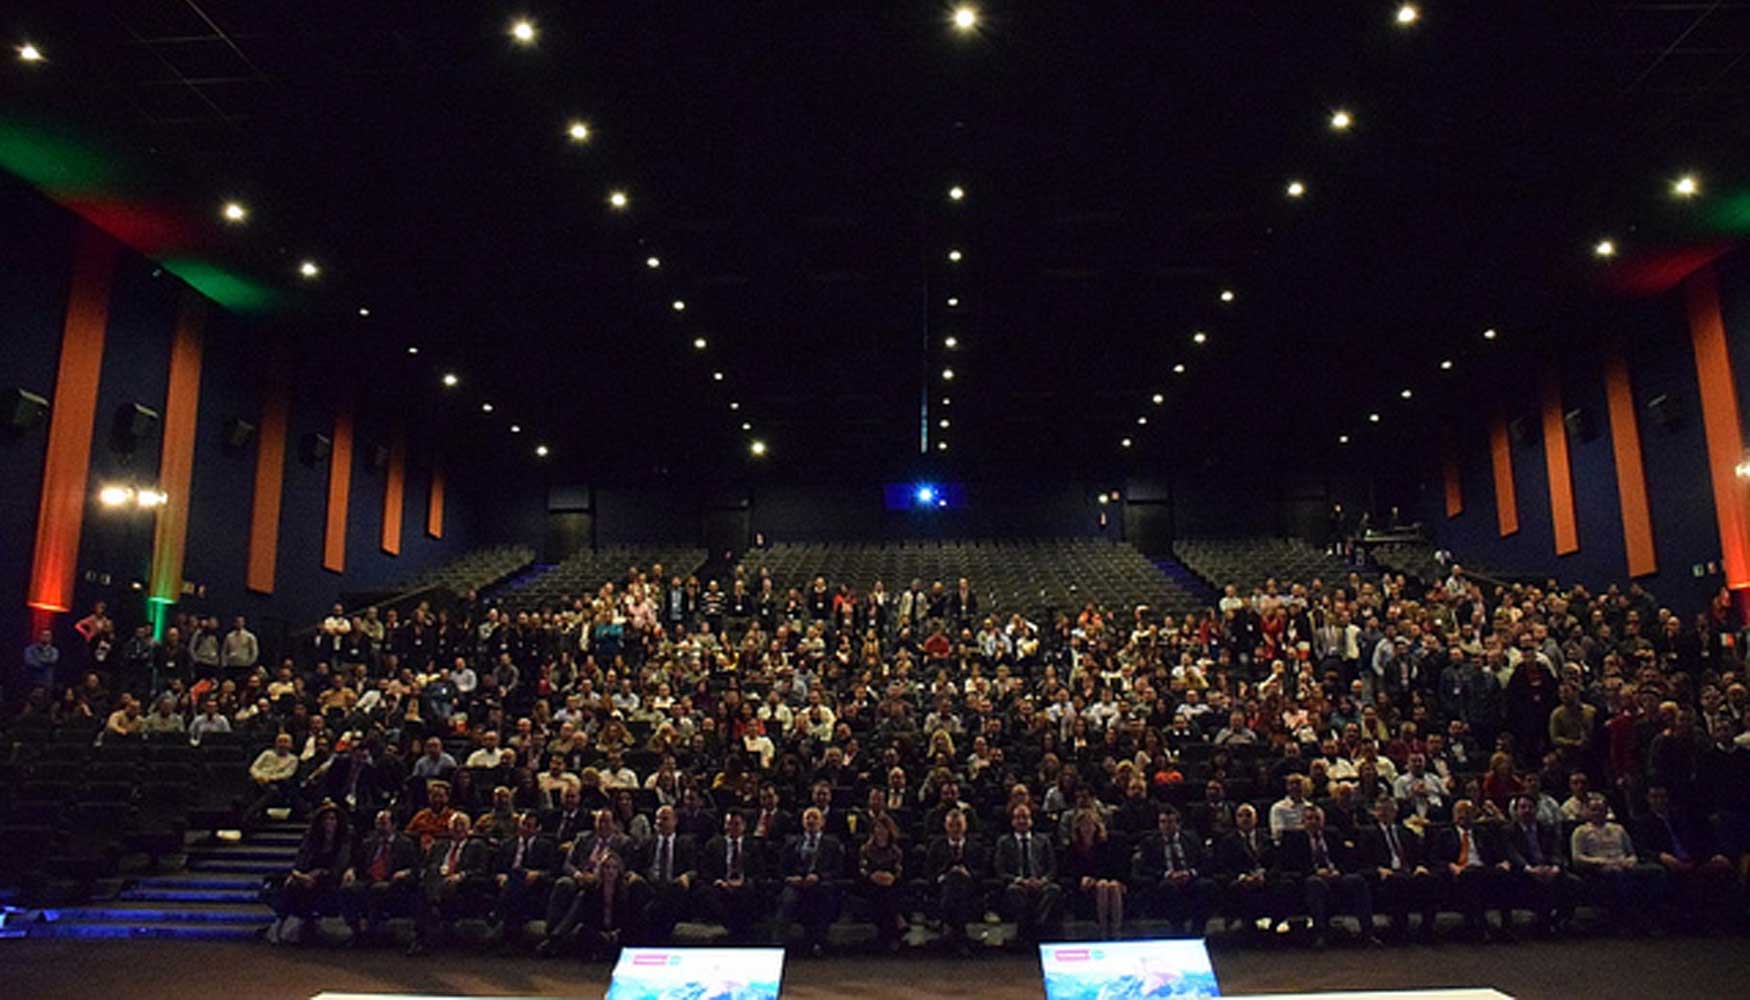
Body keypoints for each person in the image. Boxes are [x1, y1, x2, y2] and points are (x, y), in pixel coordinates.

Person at [1636, 783, 1734, 932]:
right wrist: (1662, 856)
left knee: (1723, 865)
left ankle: (1726, 920)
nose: (1659, 800)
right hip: (1670, 862)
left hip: (1694, 858)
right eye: (1654, 797)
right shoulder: (1643, 822)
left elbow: (1699, 840)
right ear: (1648, 799)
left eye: (1662, 796)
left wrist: (1714, 854)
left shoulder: (1681, 818)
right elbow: (1642, 849)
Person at [1278, 806, 1378, 948]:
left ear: (1323, 820)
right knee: (1315, 883)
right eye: (1309, 819)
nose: (1313, 822)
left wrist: (1338, 871)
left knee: (1357, 881)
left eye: (1317, 818)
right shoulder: (1294, 839)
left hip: (1335, 876)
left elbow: (1347, 859)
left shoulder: (1332, 835)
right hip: (1309, 878)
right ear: (1302, 821)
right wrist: (1315, 871)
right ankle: (1320, 934)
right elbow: (1290, 865)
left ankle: (1368, 933)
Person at [1571, 794, 1665, 934]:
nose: (1598, 813)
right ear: (1588, 812)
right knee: (1618, 875)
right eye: (1594, 809)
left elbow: (1631, 852)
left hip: (1624, 863)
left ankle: (1653, 917)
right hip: (1601, 867)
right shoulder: (1580, 832)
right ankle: (1627, 920)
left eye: (1601, 809)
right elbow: (1577, 858)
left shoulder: (1618, 829)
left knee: (1657, 871)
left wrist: (1630, 860)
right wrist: (1601, 862)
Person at [1355, 795, 1439, 942]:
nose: (1385, 813)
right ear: (1375, 813)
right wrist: (1378, 869)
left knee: (1429, 880)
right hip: (1386, 874)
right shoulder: (1367, 834)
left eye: (1389, 810)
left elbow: (1419, 855)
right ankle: (1400, 929)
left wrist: (1420, 866)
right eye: (1381, 810)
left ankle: (1427, 929)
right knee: (1397, 882)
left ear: (1395, 812)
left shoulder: (1406, 832)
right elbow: (1361, 861)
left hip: (1407, 871)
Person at [409, 811, 493, 956]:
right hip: (437, 879)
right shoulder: (439, 845)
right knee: (430, 876)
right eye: (454, 825)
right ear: (449, 827)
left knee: (427, 891)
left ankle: (428, 921)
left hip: (461, 883)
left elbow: (481, 870)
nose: (458, 828)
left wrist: (461, 875)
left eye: (462, 825)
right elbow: (426, 866)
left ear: (469, 828)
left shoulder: (477, 845)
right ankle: (423, 934)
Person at [1431, 799, 1510, 942]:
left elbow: (1495, 854)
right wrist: (1450, 865)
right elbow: (1435, 858)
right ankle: (1479, 924)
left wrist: (1502, 862)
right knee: (1471, 876)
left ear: (1474, 815)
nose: (1463, 815)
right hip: (1459, 872)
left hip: (1483, 869)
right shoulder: (1445, 834)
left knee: (1502, 874)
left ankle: (1505, 927)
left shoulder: (1482, 833)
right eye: (1459, 812)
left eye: (1467, 812)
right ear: (1453, 815)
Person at [271, 803, 350, 945]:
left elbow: (340, 865)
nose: (329, 823)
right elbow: (300, 861)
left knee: (318, 886)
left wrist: (317, 874)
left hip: (330, 878)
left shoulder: (344, 839)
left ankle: (306, 924)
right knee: (290, 884)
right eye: (326, 819)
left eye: (333, 819)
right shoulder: (311, 838)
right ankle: (285, 923)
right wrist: (299, 875)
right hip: (307, 877)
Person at [1132, 806, 1216, 938]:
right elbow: (1144, 867)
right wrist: (1167, 874)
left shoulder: (1192, 839)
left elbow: (1205, 862)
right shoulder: (1150, 842)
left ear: (1178, 824)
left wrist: (1190, 873)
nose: (1166, 826)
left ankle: (1197, 930)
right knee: (1168, 888)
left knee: (1207, 886)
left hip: (1190, 878)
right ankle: (1178, 930)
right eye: (1163, 822)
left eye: (1170, 822)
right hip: (1165, 880)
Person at [1501, 794, 1578, 937]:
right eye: (1523, 807)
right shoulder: (1508, 830)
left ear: (1536, 810)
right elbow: (1512, 853)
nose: (1527, 811)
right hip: (1524, 870)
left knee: (1572, 882)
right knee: (1511, 881)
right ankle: (1542, 922)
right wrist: (1529, 869)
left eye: (1530, 807)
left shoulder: (1546, 828)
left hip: (1547, 868)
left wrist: (1555, 867)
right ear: (1516, 811)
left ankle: (1559, 921)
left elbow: (1556, 850)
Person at [341, 809, 421, 945]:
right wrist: (351, 870)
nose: (379, 827)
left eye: (383, 823)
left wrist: (405, 873)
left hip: (393, 883)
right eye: (377, 823)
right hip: (369, 880)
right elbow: (357, 863)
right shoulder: (369, 842)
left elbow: (415, 868)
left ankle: (372, 931)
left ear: (393, 825)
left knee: (378, 890)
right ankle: (357, 931)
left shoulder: (405, 844)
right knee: (346, 890)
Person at [777, 805, 847, 956]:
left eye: (815, 817)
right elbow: (782, 869)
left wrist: (819, 877)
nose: (811, 821)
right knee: (788, 899)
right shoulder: (791, 843)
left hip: (820, 884)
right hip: (796, 884)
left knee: (824, 898)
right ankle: (778, 943)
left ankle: (818, 942)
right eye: (808, 817)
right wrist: (790, 878)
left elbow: (838, 870)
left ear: (822, 822)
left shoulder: (832, 844)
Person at [994, 803, 1062, 946]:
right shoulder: (1004, 842)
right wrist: (1019, 880)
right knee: (1014, 891)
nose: (1022, 821)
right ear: (1013, 821)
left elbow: (1052, 868)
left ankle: (1038, 926)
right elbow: (1000, 870)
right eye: (1018, 818)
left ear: (1031, 820)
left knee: (1054, 890)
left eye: (1025, 817)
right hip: (1017, 883)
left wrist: (1043, 880)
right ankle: (1026, 931)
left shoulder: (1043, 840)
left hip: (1040, 883)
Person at [631, 804, 697, 944]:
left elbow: (694, 869)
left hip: (673, 886)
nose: (660, 822)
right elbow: (634, 867)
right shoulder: (647, 843)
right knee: (637, 886)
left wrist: (687, 876)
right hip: (650, 886)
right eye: (658, 819)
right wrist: (633, 875)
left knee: (672, 892)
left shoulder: (685, 843)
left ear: (675, 821)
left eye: (665, 819)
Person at [924, 807, 987, 955]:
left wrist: (968, 874)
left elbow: (983, 871)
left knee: (958, 880)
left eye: (958, 825)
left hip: (970, 887)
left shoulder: (976, 847)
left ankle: (949, 932)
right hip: (941, 887)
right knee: (953, 880)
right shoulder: (936, 846)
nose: (955, 829)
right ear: (946, 827)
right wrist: (944, 876)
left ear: (965, 826)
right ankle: (960, 936)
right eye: (952, 825)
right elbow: (928, 871)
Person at [494, 811, 559, 946]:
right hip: (509, 882)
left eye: (529, 826)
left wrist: (538, 874)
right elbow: (496, 868)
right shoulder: (507, 844)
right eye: (523, 824)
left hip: (533, 883)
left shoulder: (546, 845)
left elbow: (553, 871)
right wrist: (500, 875)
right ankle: (511, 932)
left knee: (517, 876)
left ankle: (499, 913)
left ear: (537, 829)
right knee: (514, 877)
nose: (525, 829)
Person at [699, 810, 764, 943]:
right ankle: (731, 930)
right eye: (729, 824)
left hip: (744, 885)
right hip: (721, 885)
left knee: (751, 893)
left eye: (736, 824)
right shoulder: (714, 844)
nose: (732, 828)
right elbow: (705, 870)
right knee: (705, 893)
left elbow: (760, 871)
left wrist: (743, 882)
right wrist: (718, 881)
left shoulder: (752, 845)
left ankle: (741, 934)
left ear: (744, 826)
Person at [1062, 807, 1126, 939]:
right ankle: (1102, 929)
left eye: (1090, 824)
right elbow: (1070, 870)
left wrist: (1105, 879)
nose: (1087, 828)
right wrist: (1083, 879)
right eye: (1084, 825)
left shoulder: (1106, 843)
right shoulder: (1073, 847)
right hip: (1085, 884)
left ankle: (1116, 929)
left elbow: (1111, 867)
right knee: (1102, 886)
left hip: (1106, 880)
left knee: (1111, 886)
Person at [858, 814, 907, 952]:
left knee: (889, 892)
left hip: (890, 883)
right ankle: (896, 926)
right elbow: (863, 869)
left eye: (883, 828)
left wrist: (890, 877)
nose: (880, 831)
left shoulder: (896, 851)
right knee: (882, 893)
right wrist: (874, 876)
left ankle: (886, 936)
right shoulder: (865, 850)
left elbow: (899, 870)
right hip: (870, 883)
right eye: (877, 828)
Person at [247, 732, 302, 827]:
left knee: (273, 790)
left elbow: (287, 774)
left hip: (278, 783)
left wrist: (269, 778)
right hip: (259, 780)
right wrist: (260, 776)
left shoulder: (293, 759)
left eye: (285, 742)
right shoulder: (267, 753)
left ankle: (250, 813)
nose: (282, 744)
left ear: (291, 745)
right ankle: (255, 812)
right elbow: (254, 768)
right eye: (280, 741)